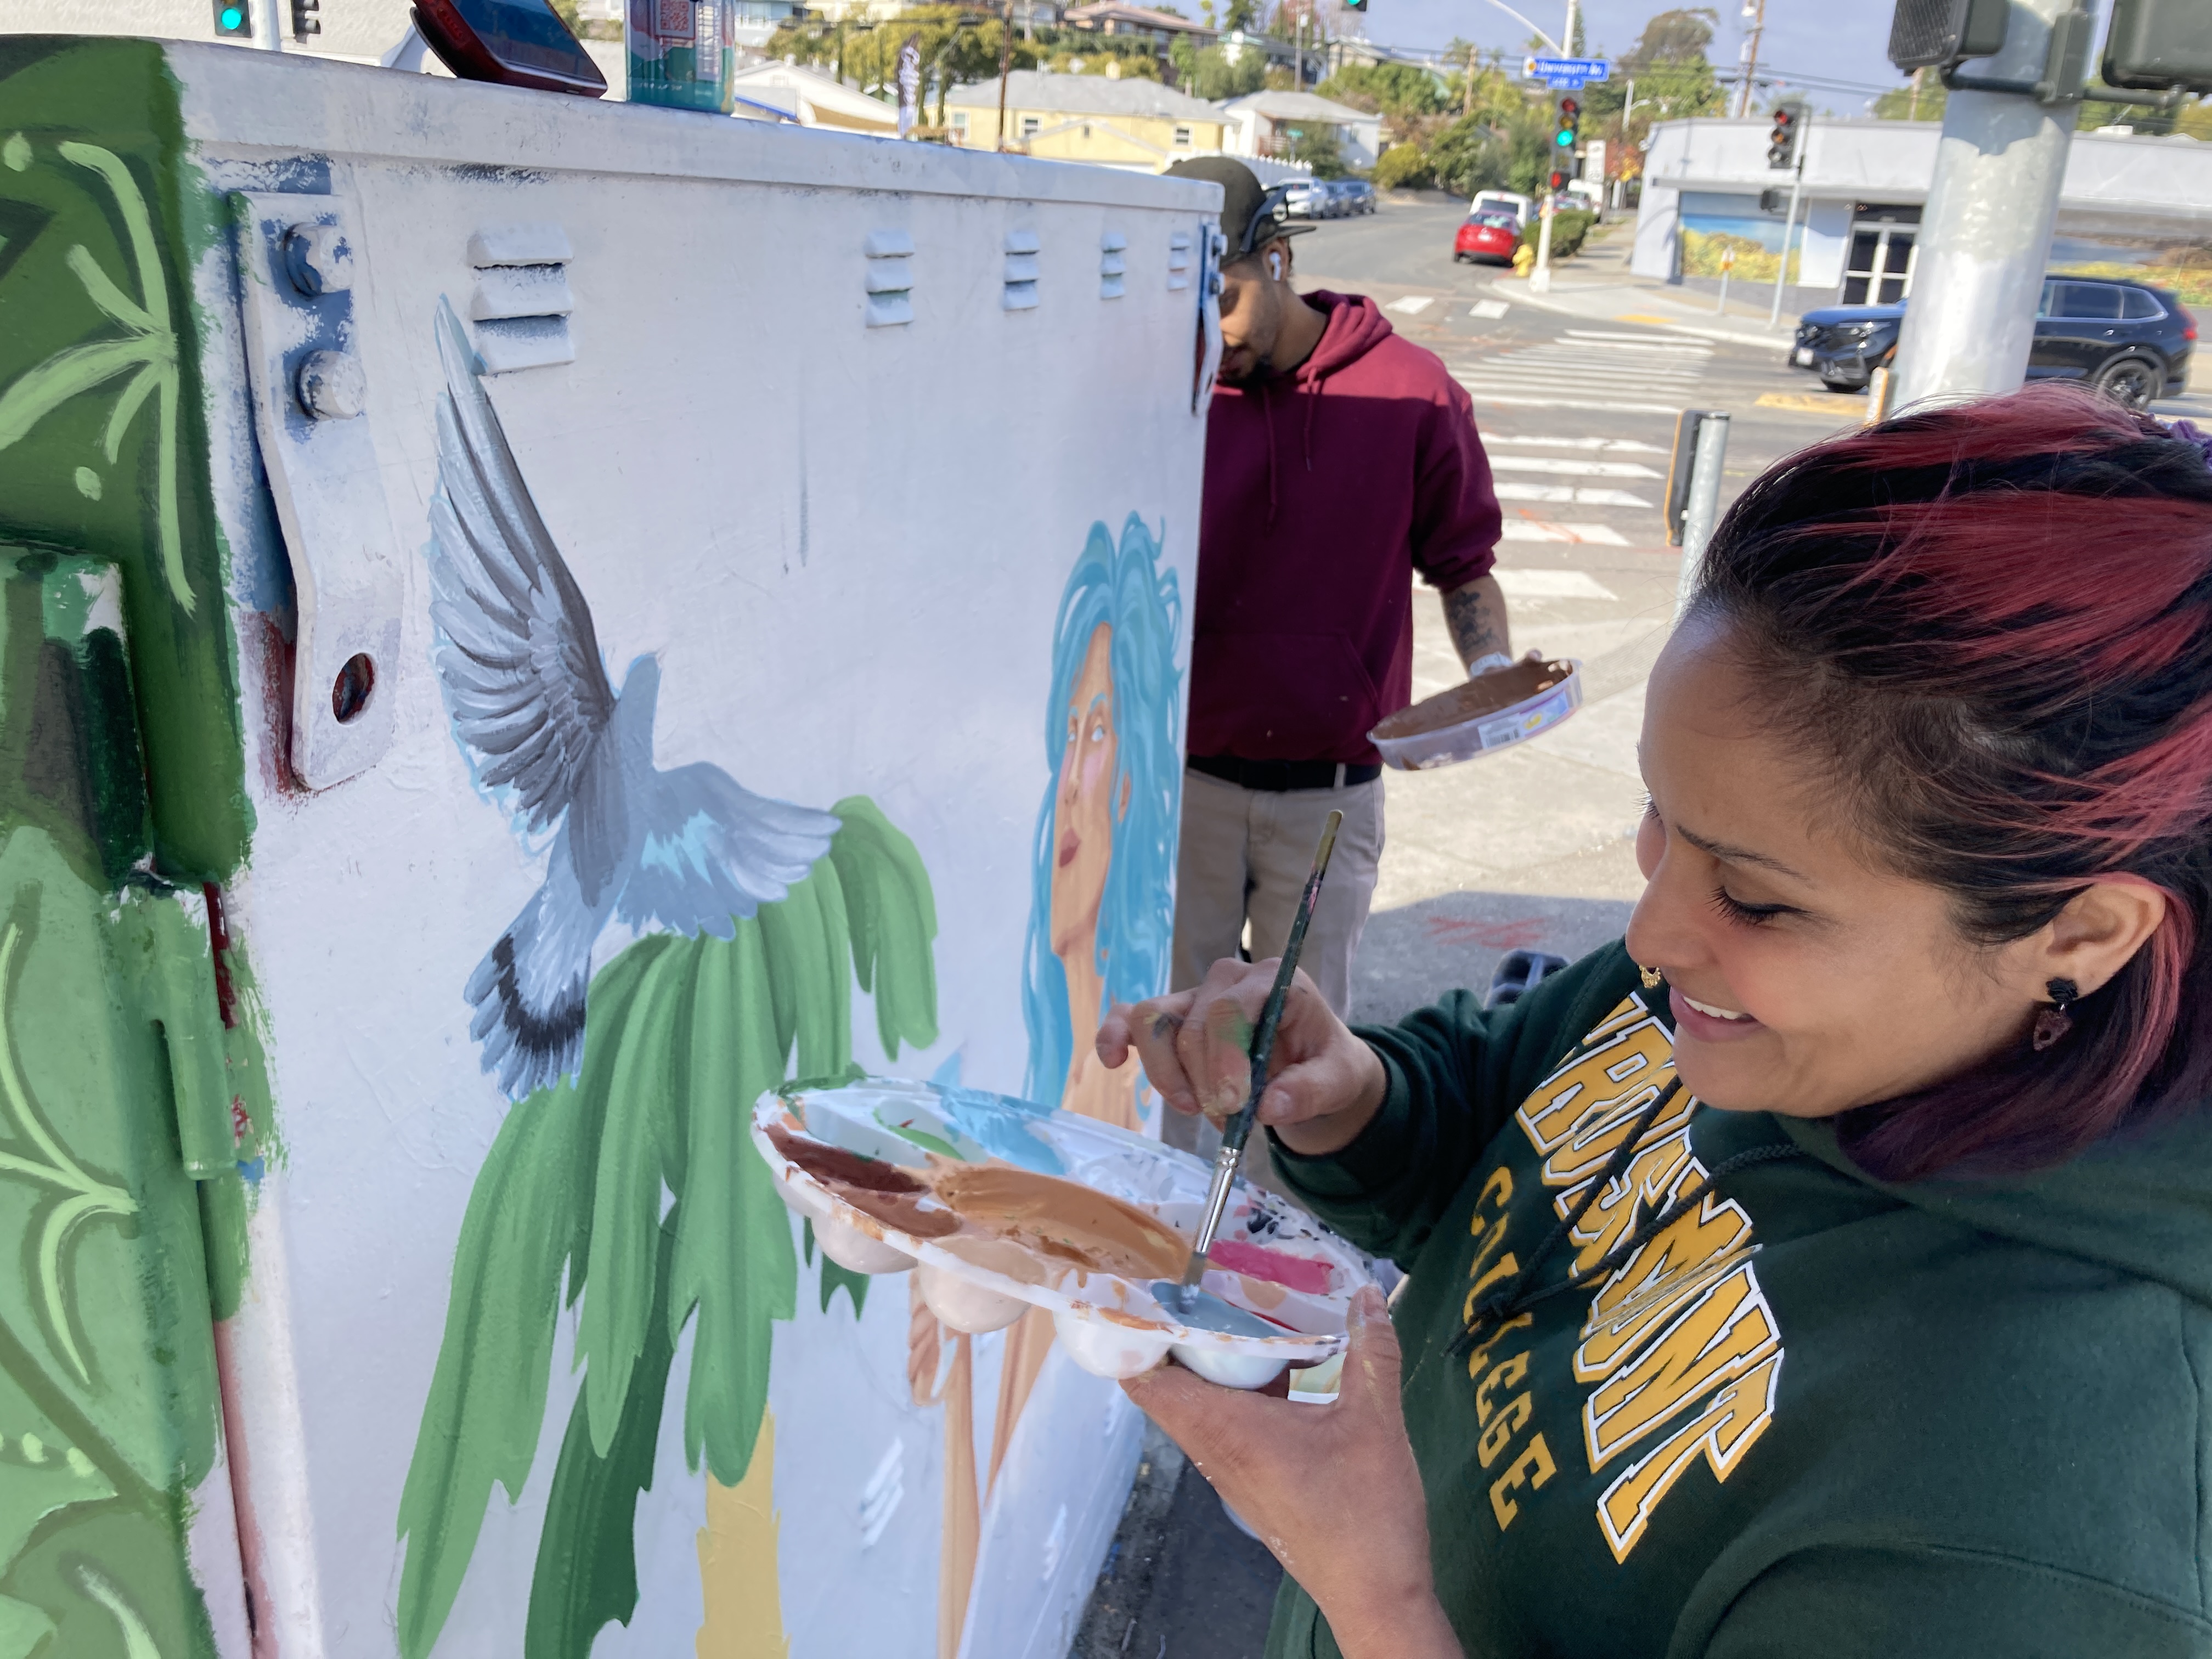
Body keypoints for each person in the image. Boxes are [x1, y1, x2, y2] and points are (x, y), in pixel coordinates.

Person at [1098, 387, 2212, 1657]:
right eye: (1659, 821)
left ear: (2080, 933)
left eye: (1753, 895)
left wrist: (1377, 1598)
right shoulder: (1744, 996)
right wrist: (1351, 1094)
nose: (1652, 936)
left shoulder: (2036, 1541)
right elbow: (1493, 1121)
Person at [1161, 156, 1509, 1037]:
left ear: (1275, 260)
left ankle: (1278, 1190)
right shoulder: (1171, 389)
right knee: (1178, 1045)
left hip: (1331, 795)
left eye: (1224, 297)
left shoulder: (1413, 393)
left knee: (1298, 1060)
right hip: (1185, 784)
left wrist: (1496, 676)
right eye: (1184, 307)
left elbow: (1464, 561)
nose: (1210, 332)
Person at [927, 514, 1183, 1659]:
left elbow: (985, 1586)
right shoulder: (1050, 1096)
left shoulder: (1109, 1118)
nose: (1072, 784)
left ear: (1132, 788)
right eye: (1067, 735)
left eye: (1102, 736)